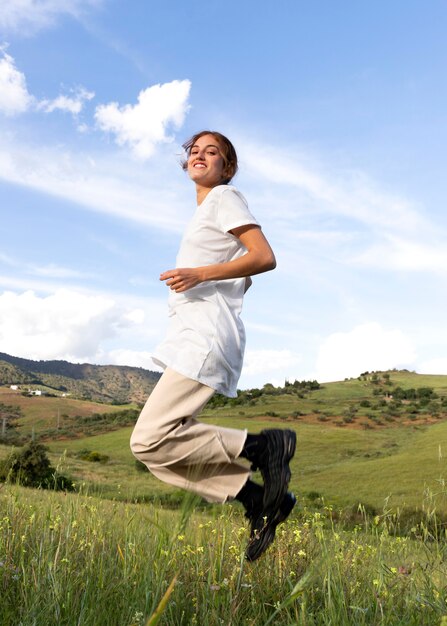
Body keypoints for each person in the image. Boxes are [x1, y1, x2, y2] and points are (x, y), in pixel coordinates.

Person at [130, 130, 296, 561]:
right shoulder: (205, 213)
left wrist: (201, 275)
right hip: (195, 334)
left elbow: (264, 256)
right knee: (158, 454)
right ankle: (255, 499)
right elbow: (247, 273)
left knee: (147, 440)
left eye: (212, 152)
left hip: (202, 337)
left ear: (227, 167)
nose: (200, 156)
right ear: (186, 163)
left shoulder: (225, 197)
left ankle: (263, 447)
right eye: (194, 152)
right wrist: (223, 276)